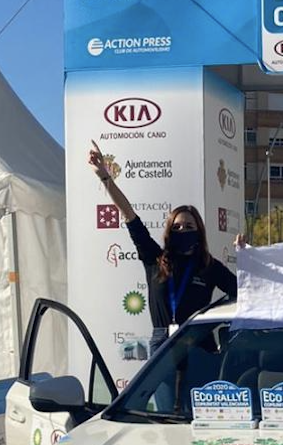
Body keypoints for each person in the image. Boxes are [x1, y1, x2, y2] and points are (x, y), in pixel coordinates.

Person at [89, 142, 237, 352]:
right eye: (177, 227)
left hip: (199, 344)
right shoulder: (155, 259)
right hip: (162, 345)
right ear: (169, 231)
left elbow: (243, 292)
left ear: (199, 232)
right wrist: (104, 177)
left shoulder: (209, 265)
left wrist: (246, 255)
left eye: (189, 226)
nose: (182, 230)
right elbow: (129, 215)